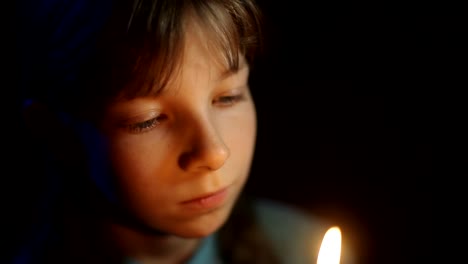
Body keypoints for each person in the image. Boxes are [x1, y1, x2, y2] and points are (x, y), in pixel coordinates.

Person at [10, 0, 355, 263]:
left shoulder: (297, 248)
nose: (214, 152)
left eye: (228, 97)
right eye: (148, 120)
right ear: (55, 133)